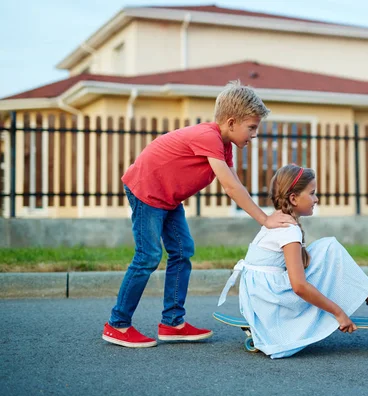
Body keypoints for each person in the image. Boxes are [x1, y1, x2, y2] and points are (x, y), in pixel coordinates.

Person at [102, 81, 296, 348]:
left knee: (183, 251)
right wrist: (264, 219)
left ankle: (172, 323)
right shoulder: (209, 137)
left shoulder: (223, 146)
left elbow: (234, 183)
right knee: (148, 256)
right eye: (251, 128)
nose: (254, 135)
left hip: (168, 197)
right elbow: (229, 187)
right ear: (230, 122)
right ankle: (117, 325)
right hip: (146, 191)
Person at [218, 164, 368, 359]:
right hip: (273, 304)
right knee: (330, 249)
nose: (316, 199)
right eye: (312, 193)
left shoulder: (279, 219)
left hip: (263, 295)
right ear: (294, 198)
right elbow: (298, 286)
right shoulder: (287, 229)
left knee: (328, 247)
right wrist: (338, 312)